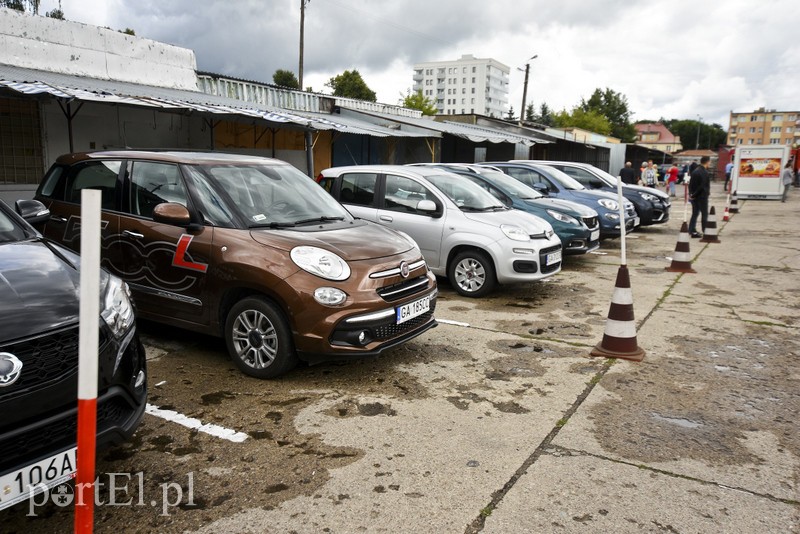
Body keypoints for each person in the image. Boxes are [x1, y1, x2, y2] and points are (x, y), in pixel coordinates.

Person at [688, 156, 711, 238]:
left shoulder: (695, 171)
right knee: (704, 214)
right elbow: (702, 186)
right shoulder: (704, 172)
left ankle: (691, 230)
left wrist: (691, 194)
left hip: (694, 197)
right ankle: (705, 231)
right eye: (709, 162)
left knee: (695, 213)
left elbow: (690, 184)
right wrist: (694, 195)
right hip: (702, 196)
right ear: (707, 162)